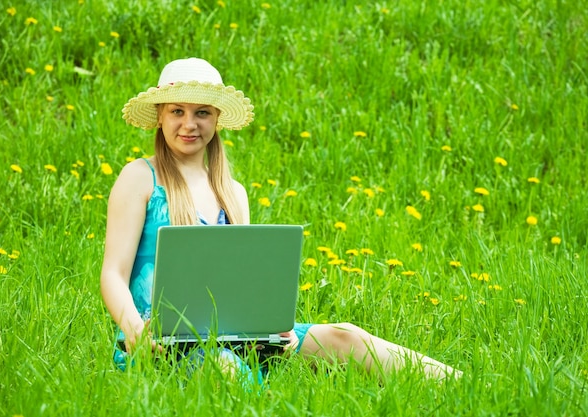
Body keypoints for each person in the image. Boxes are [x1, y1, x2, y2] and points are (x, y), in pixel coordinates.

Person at [99, 58, 462, 384]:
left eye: (202, 113)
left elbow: (239, 286)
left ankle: (457, 382)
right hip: (157, 343)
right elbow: (113, 272)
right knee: (223, 368)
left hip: (233, 335)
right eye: (177, 111)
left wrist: (272, 328)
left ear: (217, 119)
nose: (189, 124)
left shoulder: (231, 192)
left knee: (345, 335)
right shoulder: (140, 178)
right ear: (160, 116)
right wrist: (134, 329)